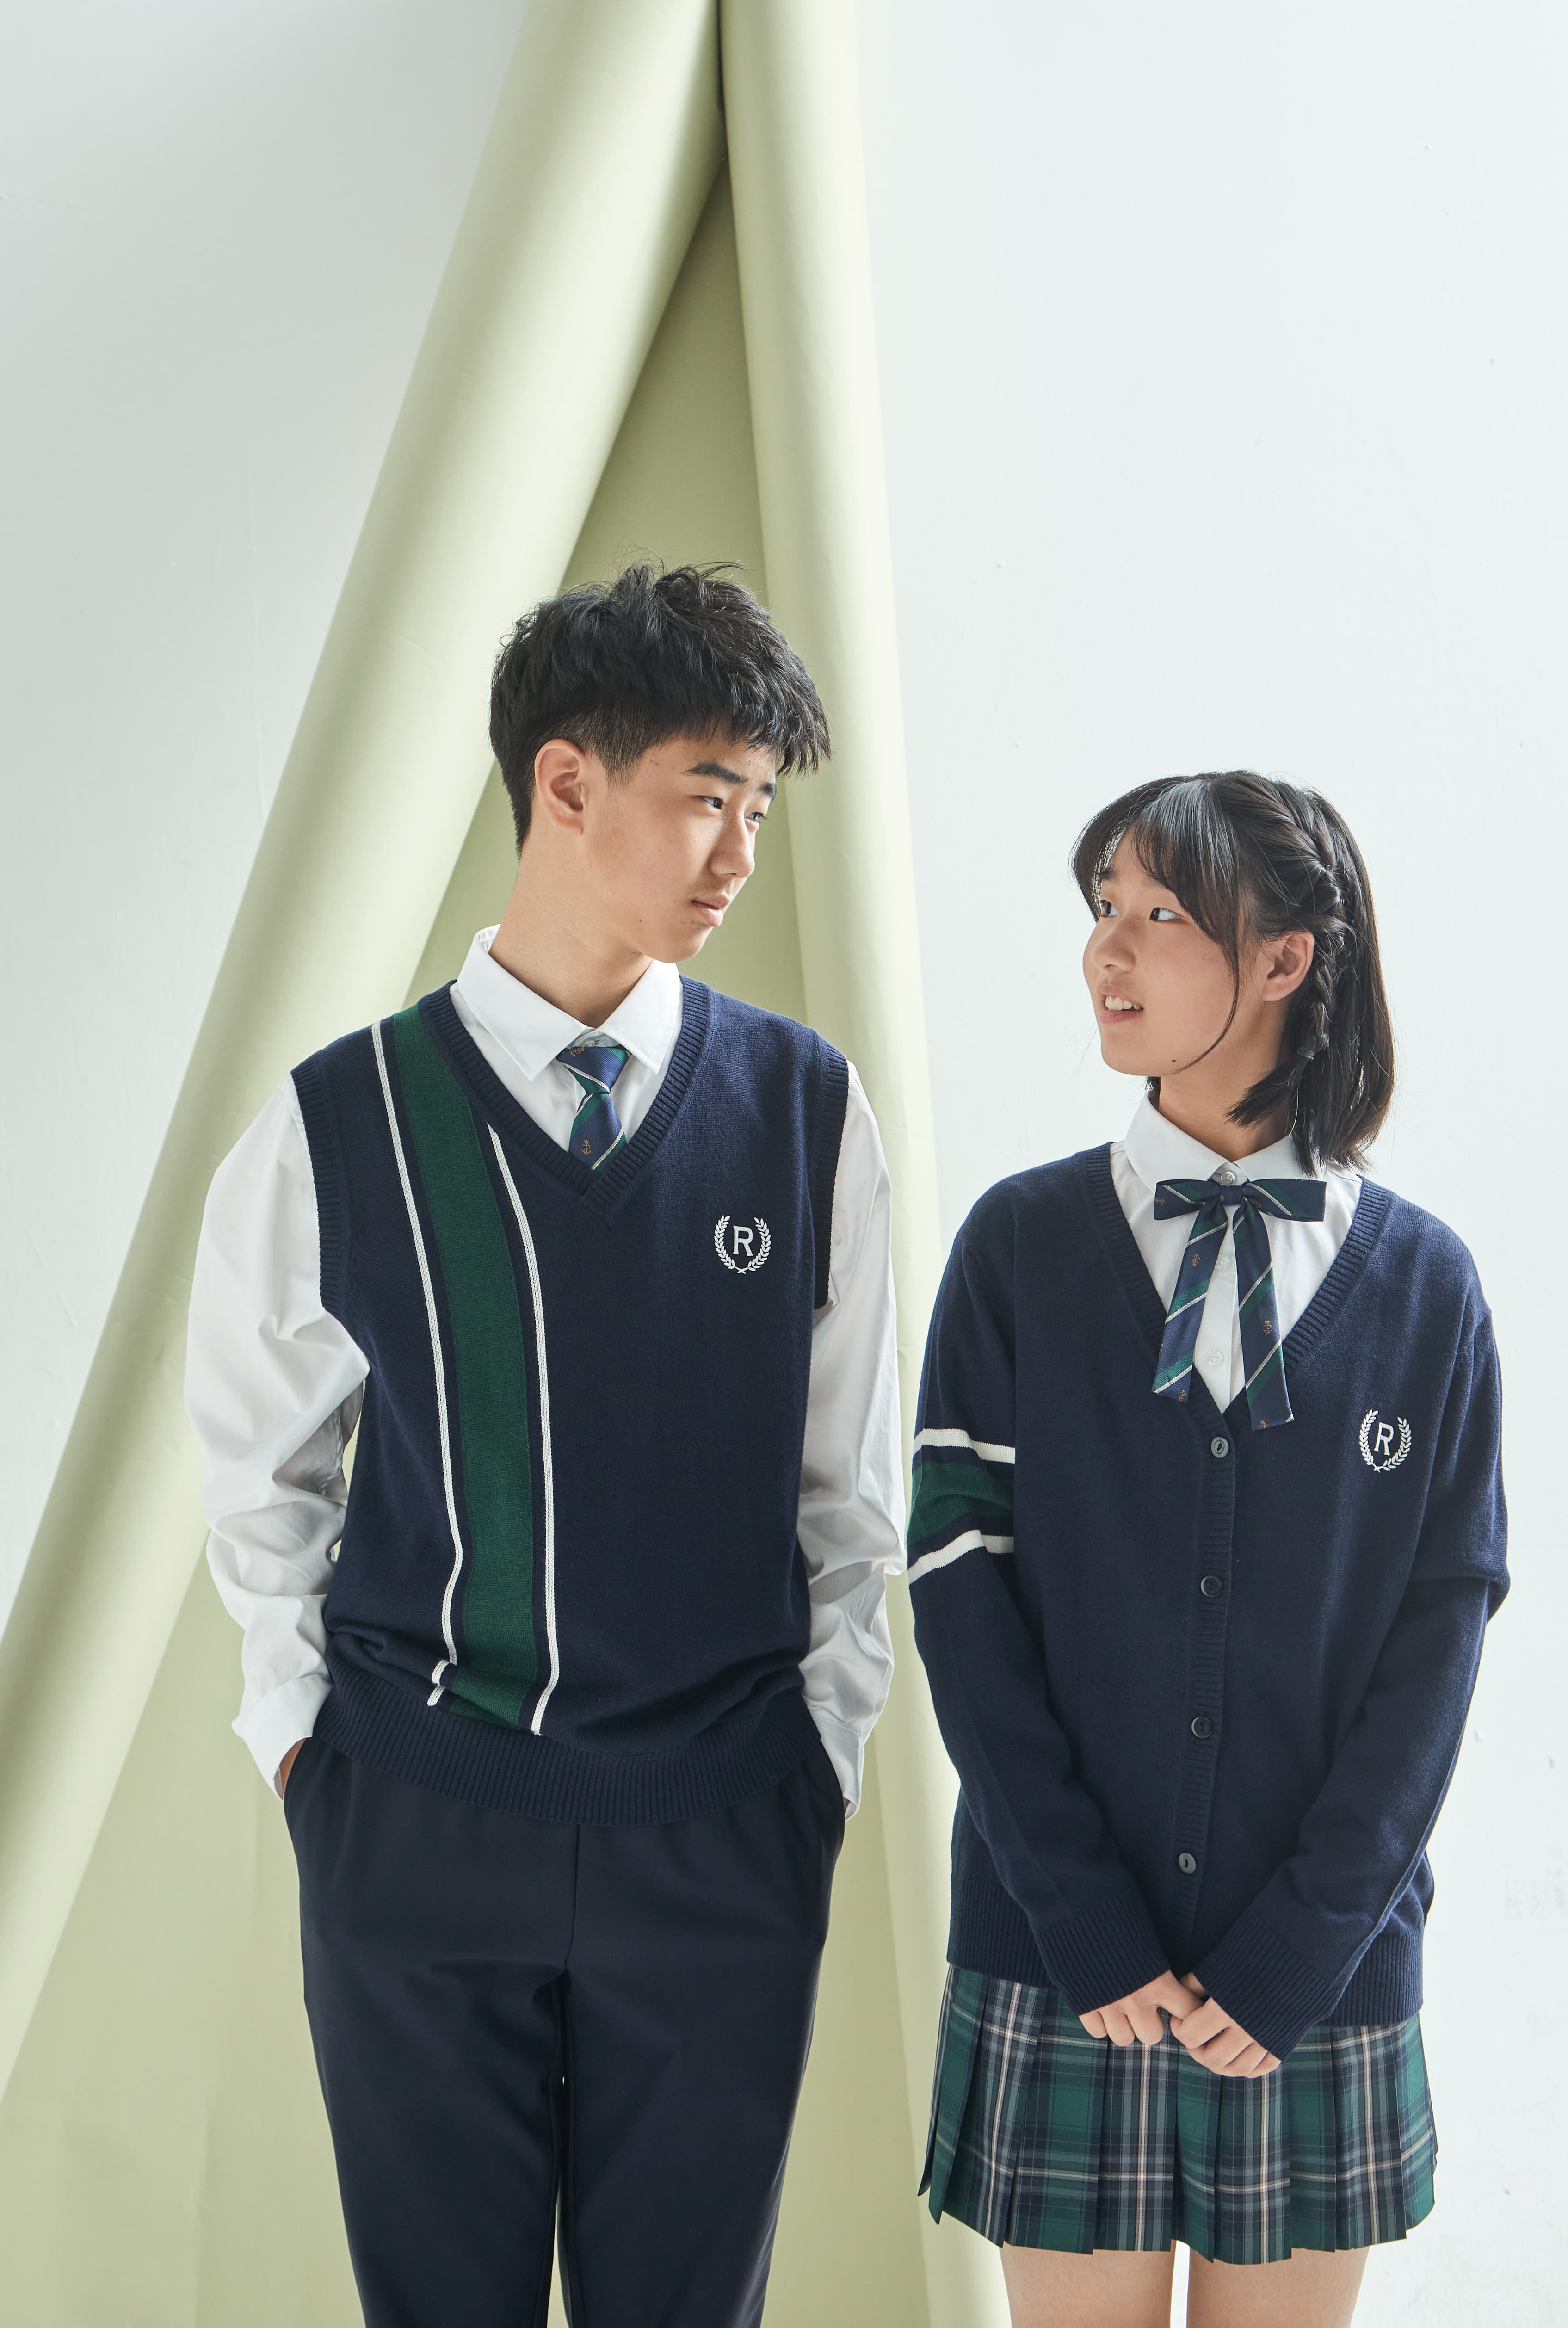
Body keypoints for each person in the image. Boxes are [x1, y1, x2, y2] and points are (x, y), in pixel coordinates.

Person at [186, 562, 906, 2328]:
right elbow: (256, 1478)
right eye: (705, 797)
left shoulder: (806, 1113)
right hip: (417, 1822)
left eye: (758, 805)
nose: (740, 852)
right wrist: (308, 1753)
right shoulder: (331, 1124)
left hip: (724, 1828)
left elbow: (853, 1493)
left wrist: (817, 1761)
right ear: (566, 784)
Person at [906, 771, 1507, 2328]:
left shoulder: (1430, 1293)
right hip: (1061, 1965)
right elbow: (957, 1597)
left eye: (1159, 915)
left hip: (1315, 1979)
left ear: (1290, 956)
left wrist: (1304, 1948)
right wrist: (1085, 1920)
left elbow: (1438, 1650)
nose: (1108, 953)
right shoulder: (1018, 1254)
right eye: (1101, 911)